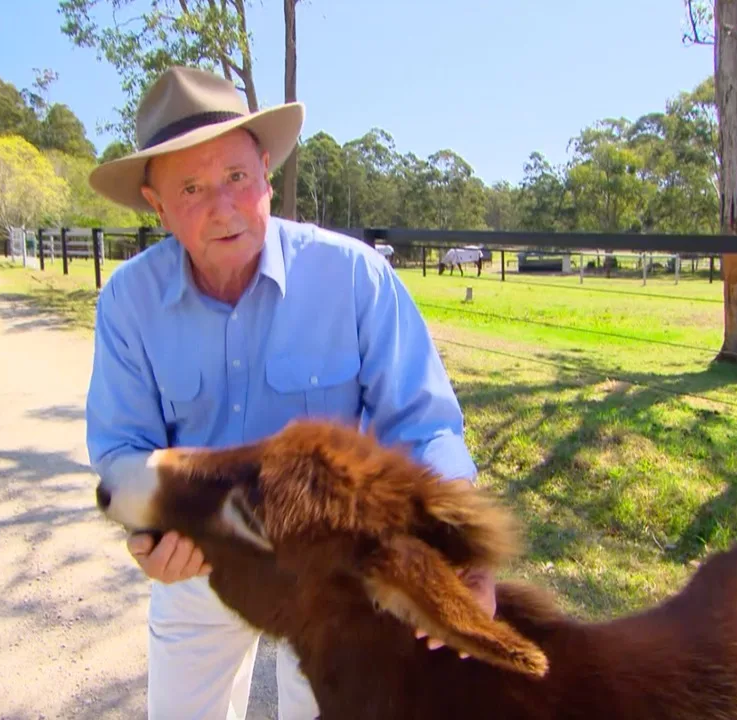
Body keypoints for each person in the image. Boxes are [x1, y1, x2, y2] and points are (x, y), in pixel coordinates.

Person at [84, 65, 496, 720]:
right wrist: (152, 531)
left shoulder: (354, 277)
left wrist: (458, 551)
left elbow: (423, 424)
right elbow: (122, 449)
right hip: (202, 562)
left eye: (236, 177)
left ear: (267, 176)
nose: (223, 207)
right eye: (190, 188)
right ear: (156, 206)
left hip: (336, 573)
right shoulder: (129, 304)